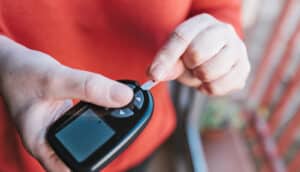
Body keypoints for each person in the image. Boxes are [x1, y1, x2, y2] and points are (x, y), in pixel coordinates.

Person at [0, 0, 250, 171]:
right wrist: (5, 58)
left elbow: (219, 7)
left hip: (137, 148)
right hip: (11, 153)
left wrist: (219, 50)